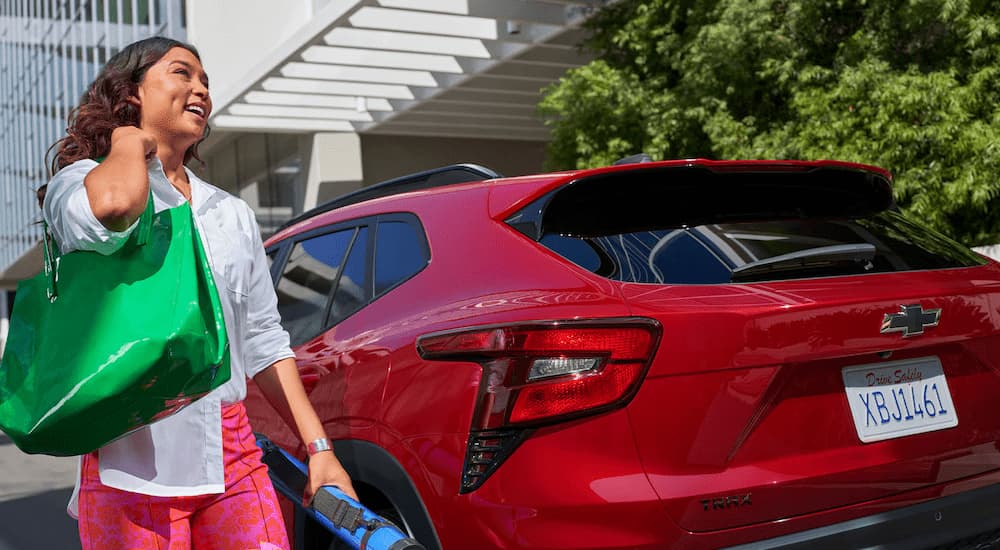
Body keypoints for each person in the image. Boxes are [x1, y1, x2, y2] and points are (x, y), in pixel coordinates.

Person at [41, 36, 356, 549]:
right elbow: (116, 206)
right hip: (128, 457)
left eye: (206, 81)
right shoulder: (78, 182)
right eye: (182, 74)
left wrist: (318, 447)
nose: (201, 90)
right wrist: (128, 141)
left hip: (231, 450)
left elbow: (263, 340)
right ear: (132, 92)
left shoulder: (230, 213)